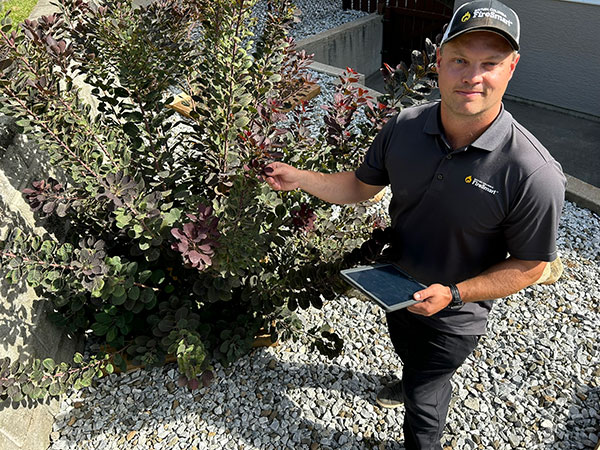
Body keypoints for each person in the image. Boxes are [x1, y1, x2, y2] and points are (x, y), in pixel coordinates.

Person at [263, 0, 566, 448]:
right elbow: (361, 187)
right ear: (439, 61)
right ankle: (410, 375)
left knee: (427, 394)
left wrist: (456, 293)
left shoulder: (532, 173)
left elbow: (532, 266)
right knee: (410, 356)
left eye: (490, 63)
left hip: (455, 315)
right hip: (395, 285)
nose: (472, 76)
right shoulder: (404, 127)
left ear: (512, 68)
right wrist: (300, 178)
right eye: (460, 59)